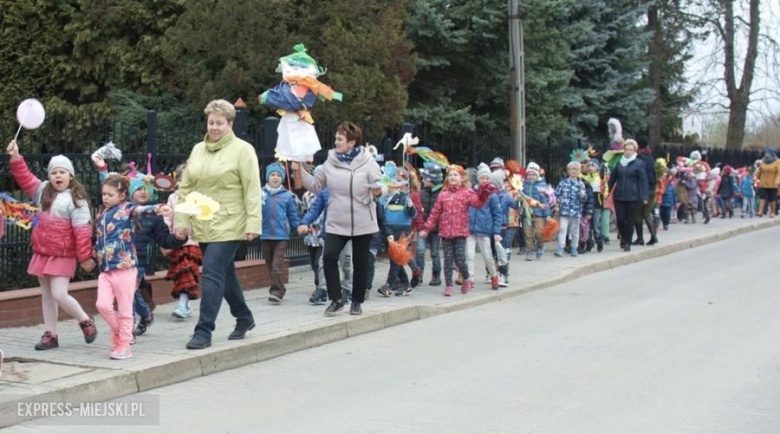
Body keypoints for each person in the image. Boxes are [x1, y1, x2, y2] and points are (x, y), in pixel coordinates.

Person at [175, 99, 261, 350]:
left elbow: (252, 189)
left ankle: (204, 330)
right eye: (211, 122)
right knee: (225, 272)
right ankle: (244, 317)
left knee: (211, 271)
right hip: (204, 222)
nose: (214, 127)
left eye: (219, 123)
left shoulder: (243, 150)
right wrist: (182, 219)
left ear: (230, 124)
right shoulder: (198, 150)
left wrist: (253, 222)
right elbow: (186, 186)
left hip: (232, 221)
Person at [7, 140, 98, 350]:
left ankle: (85, 320)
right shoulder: (42, 191)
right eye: (54, 172)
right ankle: (51, 334)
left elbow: (83, 230)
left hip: (63, 254)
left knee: (59, 294)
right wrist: (15, 157)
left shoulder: (77, 200)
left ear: (71, 176)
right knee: (47, 297)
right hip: (43, 252)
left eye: (62, 172)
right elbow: (25, 177)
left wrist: (84, 256)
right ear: (49, 176)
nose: (58, 176)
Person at [295, 121, 382, 316]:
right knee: (328, 257)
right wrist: (299, 168)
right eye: (336, 138)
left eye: (340, 139)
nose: (336, 142)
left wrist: (378, 190)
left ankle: (357, 301)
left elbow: (381, 186)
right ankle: (336, 299)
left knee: (360, 264)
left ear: (352, 142)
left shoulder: (368, 161)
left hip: (362, 221)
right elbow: (316, 185)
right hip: (336, 220)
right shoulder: (330, 162)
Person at [93, 175, 177, 360]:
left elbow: (142, 210)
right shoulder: (101, 215)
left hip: (125, 268)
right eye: (104, 194)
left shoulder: (127, 209)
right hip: (106, 270)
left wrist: (158, 208)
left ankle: (124, 346)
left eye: (110, 194)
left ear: (122, 195)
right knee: (102, 305)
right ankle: (121, 333)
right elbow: (99, 240)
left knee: (125, 310)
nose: (105, 198)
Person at [419, 165, 494, 296]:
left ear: (462, 178)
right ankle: (449, 286)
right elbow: (435, 213)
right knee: (447, 261)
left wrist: (484, 193)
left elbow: (478, 203)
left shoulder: (467, 193)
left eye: (455, 175)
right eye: (451, 175)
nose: (452, 177)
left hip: (460, 233)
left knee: (460, 260)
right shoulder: (443, 194)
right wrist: (426, 229)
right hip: (446, 233)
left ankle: (466, 278)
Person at [163, 164, 203, 319]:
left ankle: (182, 303)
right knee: (183, 272)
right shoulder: (173, 198)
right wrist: (166, 239)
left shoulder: (200, 197)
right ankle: (185, 303)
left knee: (187, 268)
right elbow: (167, 218)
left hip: (194, 241)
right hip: (177, 241)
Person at [261, 162, 301, 304]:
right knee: (270, 265)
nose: (275, 178)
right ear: (267, 177)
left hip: (281, 235)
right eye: (273, 175)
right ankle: (280, 288)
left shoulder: (287, 196)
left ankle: (276, 292)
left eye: (278, 175)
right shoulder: (260, 194)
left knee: (277, 266)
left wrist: (299, 226)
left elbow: (292, 215)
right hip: (265, 234)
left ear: (282, 178)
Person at [465, 163, 502, 290]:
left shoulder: (492, 195)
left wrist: (497, 231)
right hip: (470, 229)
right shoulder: (471, 192)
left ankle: (493, 275)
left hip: (484, 230)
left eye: (487, 178)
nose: (485, 180)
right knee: (469, 255)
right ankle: (470, 279)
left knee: (488, 255)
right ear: (478, 179)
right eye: (482, 178)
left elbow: (497, 214)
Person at [608, 139, 648, 252]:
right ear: (623, 150)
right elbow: (612, 179)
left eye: (631, 150)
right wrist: (606, 192)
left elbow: (644, 181)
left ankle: (628, 242)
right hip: (619, 195)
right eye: (626, 149)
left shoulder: (638, 163)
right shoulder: (619, 162)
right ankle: (624, 237)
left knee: (629, 220)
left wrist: (645, 196)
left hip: (633, 196)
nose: (628, 152)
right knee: (620, 220)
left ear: (634, 150)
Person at [416, 166, 443, 285]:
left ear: (431, 180)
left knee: (435, 252)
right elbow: (418, 211)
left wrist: (430, 227)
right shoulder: (421, 193)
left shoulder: (441, 194)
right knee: (420, 250)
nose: (422, 180)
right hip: (422, 229)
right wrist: (421, 227)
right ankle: (418, 274)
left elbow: (440, 214)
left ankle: (436, 275)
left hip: (435, 230)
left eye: (425, 178)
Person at [554, 162, 587, 257]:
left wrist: (582, 195)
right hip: (564, 210)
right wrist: (557, 204)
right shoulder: (563, 183)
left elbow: (584, 199)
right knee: (563, 229)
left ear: (579, 171)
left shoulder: (580, 184)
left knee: (574, 230)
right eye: (572, 169)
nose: (573, 171)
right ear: (568, 171)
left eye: (576, 169)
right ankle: (560, 247)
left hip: (576, 211)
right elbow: (557, 195)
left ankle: (574, 247)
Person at [522, 162, 551, 260]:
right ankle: (530, 250)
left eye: (533, 174)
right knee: (527, 233)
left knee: (539, 232)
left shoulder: (542, 185)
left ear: (537, 175)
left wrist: (547, 214)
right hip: (527, 214)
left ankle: (540, 246)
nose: (531, 176)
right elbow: (520, 197)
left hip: (539, 214)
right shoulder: (523, 185)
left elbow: (546, 200)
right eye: (529, 174)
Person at [633, 137, 658, 246]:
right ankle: (653, 235)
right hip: (652, 188)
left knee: (638, 213)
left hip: (642, 189)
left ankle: (640, 238)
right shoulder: (650, 157)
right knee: (647, 213)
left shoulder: (639, 158)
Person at [756, 147, 780, 217]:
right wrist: (756, 176)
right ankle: (760, 211)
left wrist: (777, 181)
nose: (766, 155)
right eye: (766, 153)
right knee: (762, 196)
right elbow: (760, 170)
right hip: (764, 182)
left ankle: (772, 212)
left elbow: (779, 172)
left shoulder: (777, 161)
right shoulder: (763, 161)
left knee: (772, 198)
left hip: (773, 182)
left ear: (772, 154)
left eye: (768, 153)